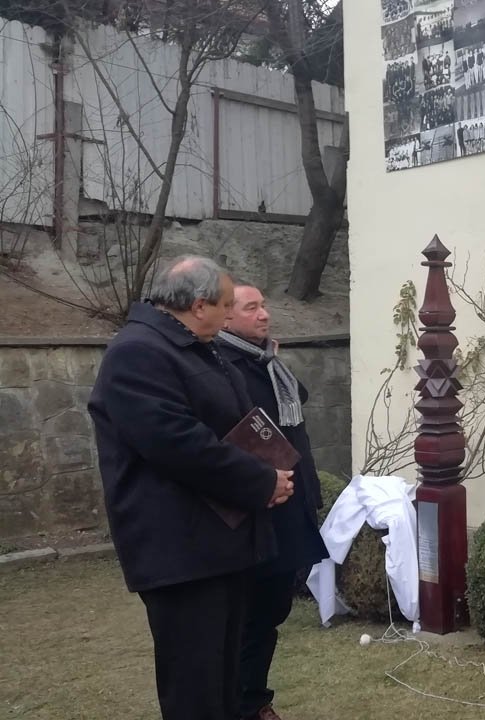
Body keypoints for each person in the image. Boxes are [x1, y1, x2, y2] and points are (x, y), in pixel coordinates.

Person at [89, 256, 295, 720]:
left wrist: (273, 467)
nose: (230, 315)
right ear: (199, 305)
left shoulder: (197, 347)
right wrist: (259, 480)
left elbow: (233, 422)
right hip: (181, 550)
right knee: (195, 689)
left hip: (224, 541)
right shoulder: (137, 353)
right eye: (225, 305)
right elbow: (178, 443)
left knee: (225, 683)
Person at [218, 285, 330, 720]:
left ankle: (253, 700)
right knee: (248, 615)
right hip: (257, 509)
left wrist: (311, 494)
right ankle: (242, 704)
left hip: (291, 503)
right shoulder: (221, 366)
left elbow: (296, 413)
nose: (264, 315)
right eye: (252, 308)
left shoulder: (266, 363)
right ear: (226, 317)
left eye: (264, 306)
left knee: (272, 610)